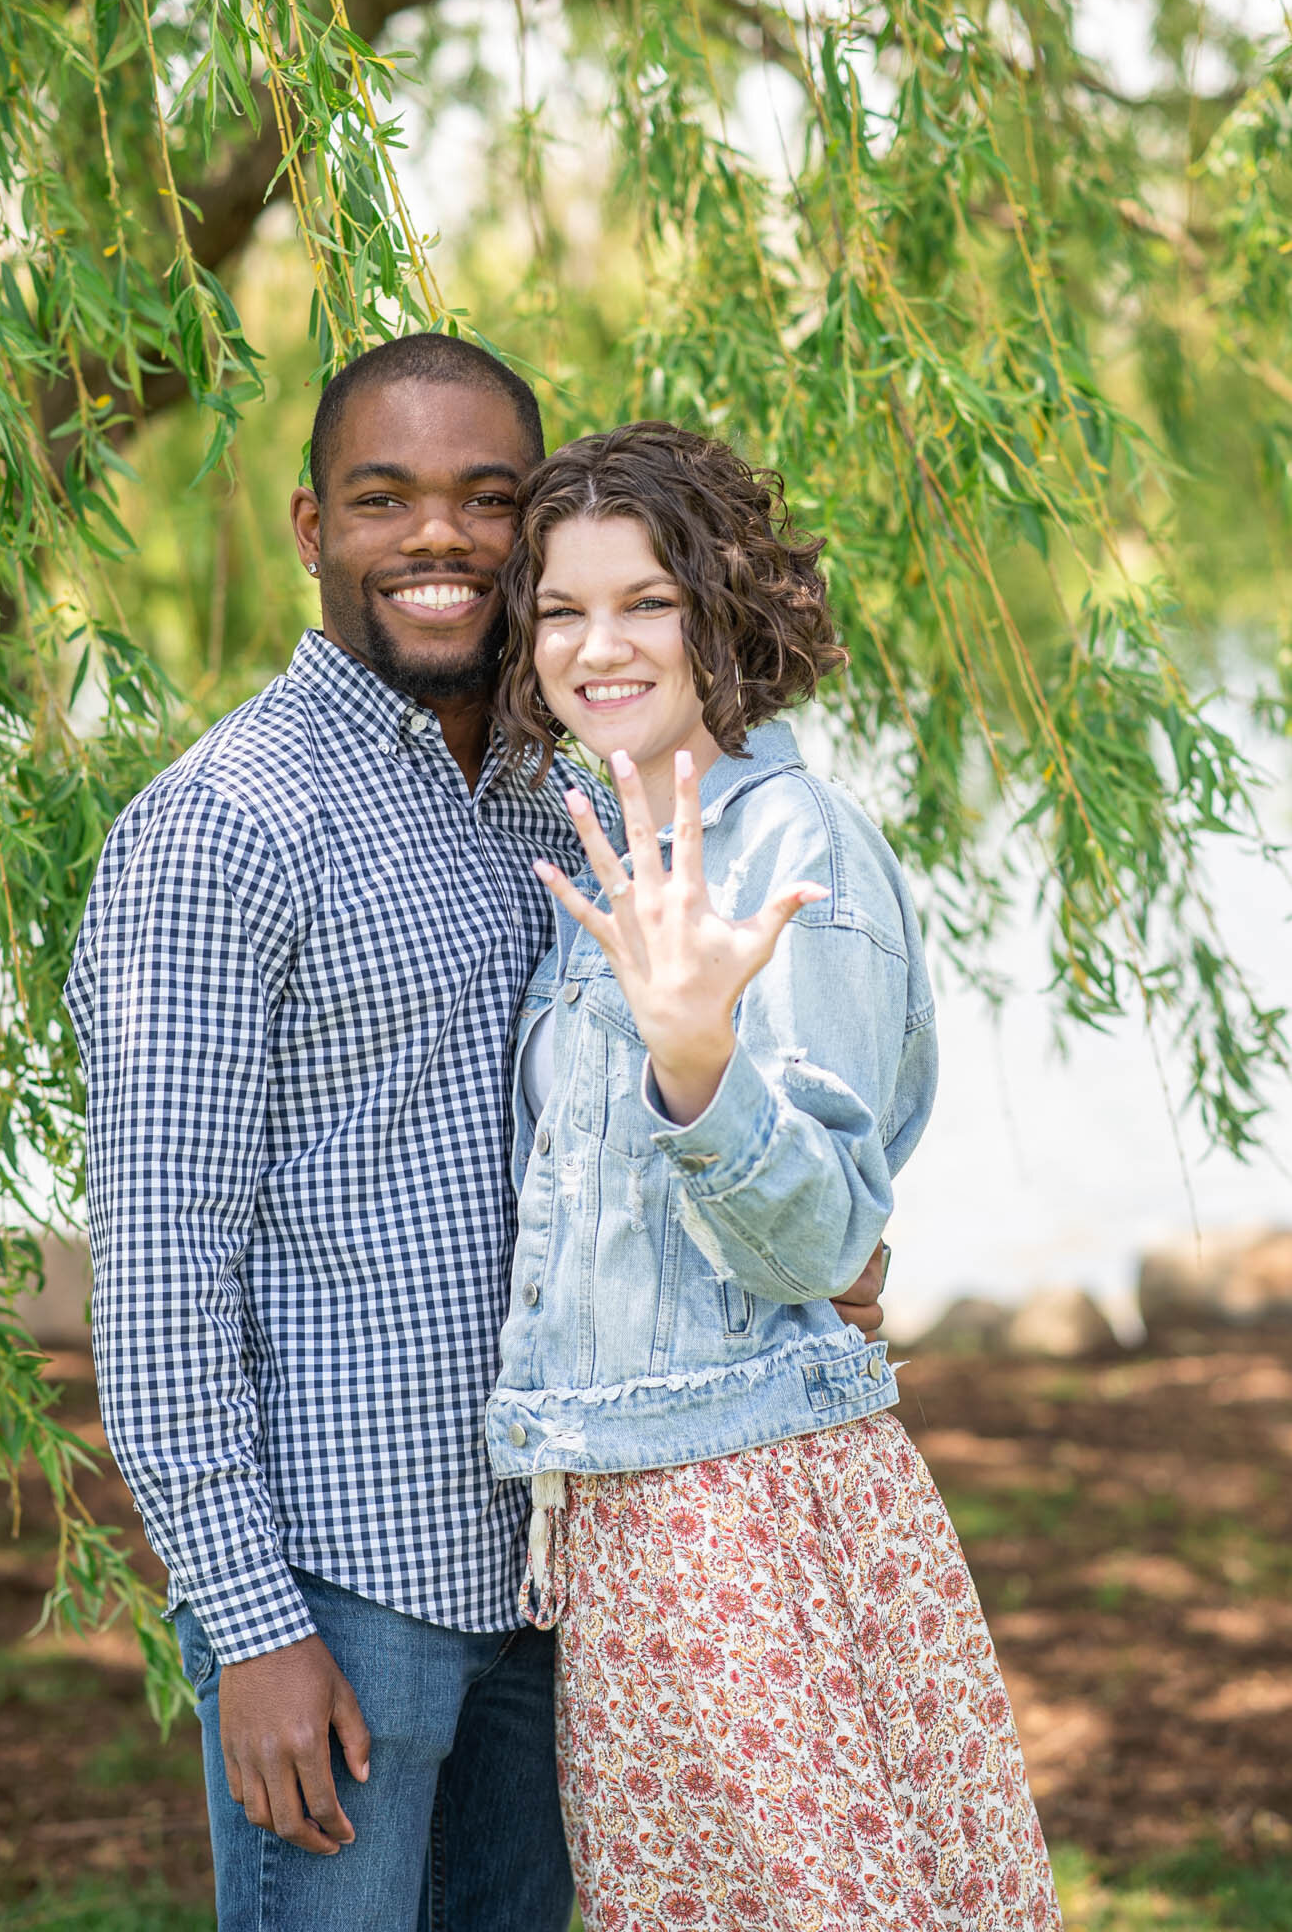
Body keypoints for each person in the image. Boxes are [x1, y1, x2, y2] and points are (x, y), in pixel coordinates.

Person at [63, 336, 886, 1932]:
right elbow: (162, 1286)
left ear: (538, 529)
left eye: (486, 500)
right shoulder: (220, 832)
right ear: (313, 528)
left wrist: (830, 1241)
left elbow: (634, 1118)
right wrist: (250, 1631)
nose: (438, 539)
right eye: (386, 499)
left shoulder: (561, 795)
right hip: (347, 1593)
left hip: (566, 1567)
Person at [486, 421, 1064, 1931]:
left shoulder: (791, 849)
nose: (596, 646)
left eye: (645, 603)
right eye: (560, 609)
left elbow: (822, 1237)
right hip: (627, 1517)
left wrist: (697, 1061)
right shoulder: (621, 835)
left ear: (724, 608)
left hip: (748, 1510)